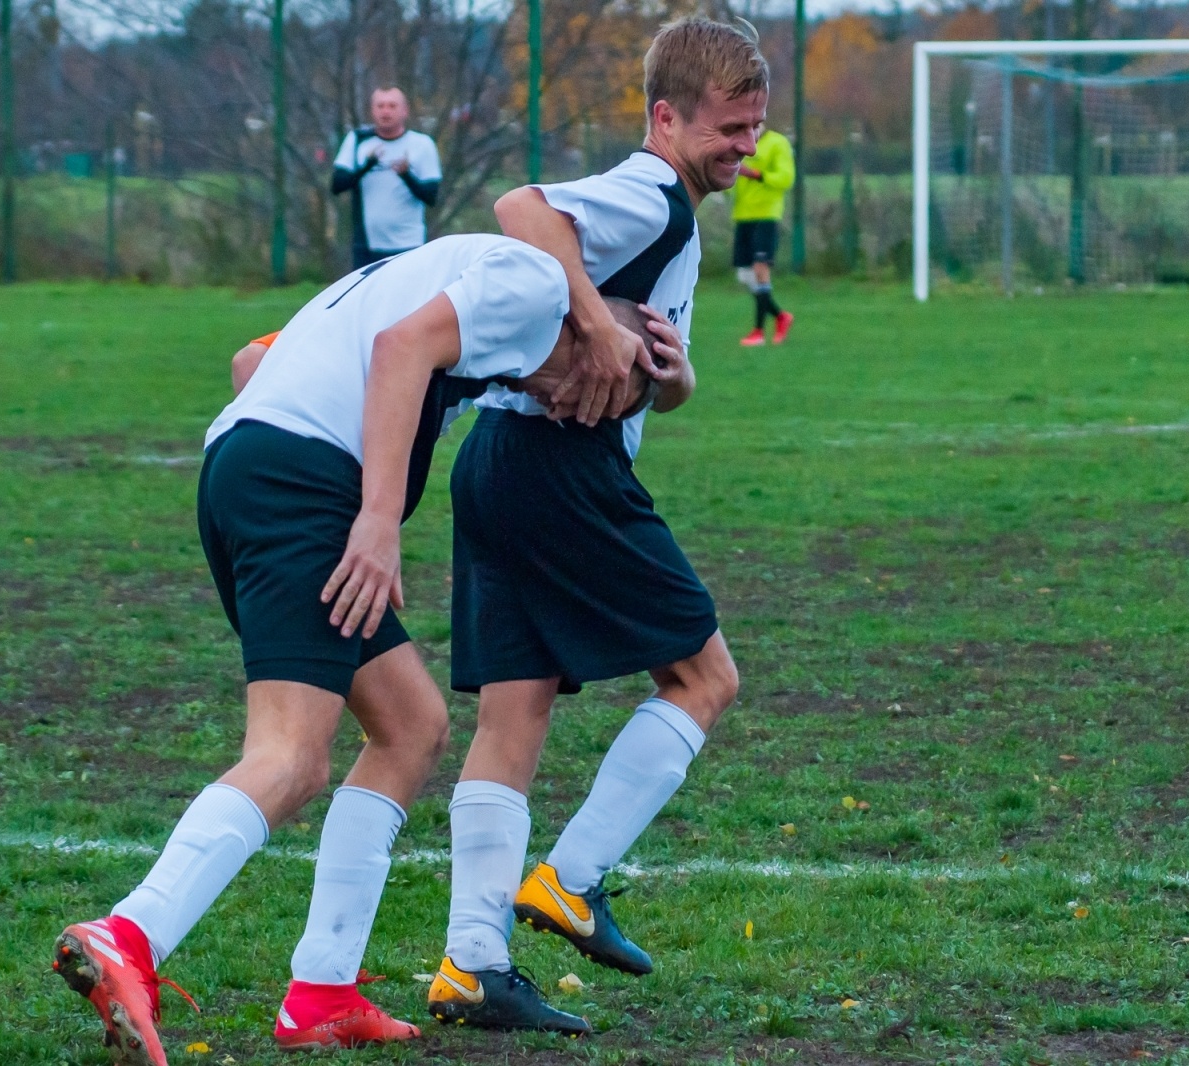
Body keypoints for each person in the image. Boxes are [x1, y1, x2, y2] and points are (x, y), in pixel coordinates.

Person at [50, 233, 656, 1065]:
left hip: (255, 473)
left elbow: (251, 362)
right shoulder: (536, 284)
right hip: (300, 491)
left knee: (411, 725)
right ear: (594, 339)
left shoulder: (454, 286)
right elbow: (400, 347)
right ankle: (129, 935)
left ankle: (323, 994)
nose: (572, 414)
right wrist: (371, 518)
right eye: (598, 397)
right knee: (290, 757)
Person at [423, 16, 765, 1036]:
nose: (746, 147)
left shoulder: (672, 214)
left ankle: (471, 965)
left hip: (498, 459)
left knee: (513, 713)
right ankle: (571, 880)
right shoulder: (650, 192)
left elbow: (652, 371)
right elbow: (521, 207)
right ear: (666, 118)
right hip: (556, 465)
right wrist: (586, 313)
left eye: (754, 127)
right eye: (728, 129)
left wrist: (674, 375)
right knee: (704, 678)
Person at [331, 87, 443, 269]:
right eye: (380, 106)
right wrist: (366, 166)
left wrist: (406, 175)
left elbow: (431, 196)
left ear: (405, 110)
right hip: (367, 247)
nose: (385, 112)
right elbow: (337, 185)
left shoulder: (422, 144)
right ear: (372, 110)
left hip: (409, 245)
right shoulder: (357, 140)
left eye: (392, 106)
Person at [731, 123, 795, 346]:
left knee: (760, 269)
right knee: (745, 275)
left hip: (766, 214)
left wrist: (755, 174)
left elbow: (786, 178)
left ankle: (758, 332)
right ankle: (780, 316)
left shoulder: (777, 143)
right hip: (743, 215)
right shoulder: (738, 144)